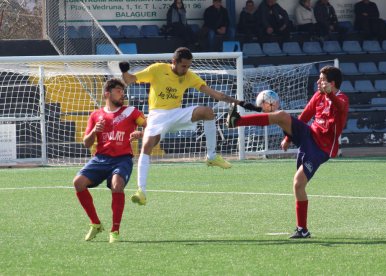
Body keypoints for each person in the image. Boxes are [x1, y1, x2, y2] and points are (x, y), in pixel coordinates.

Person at [119, 47, 258, 206]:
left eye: (188, 66)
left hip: (177, 113)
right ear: (174, 62)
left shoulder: (189, 76)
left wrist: (240, 103)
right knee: (147, 146)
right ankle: (141, 191)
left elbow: (214, 94)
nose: (186, 69)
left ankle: (211, 156)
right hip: (157, 115)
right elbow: (130, 79)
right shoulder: (157, 69)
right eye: (184, 66)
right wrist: (124, 72)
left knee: (208, 112)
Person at [226, 66, 349, 238]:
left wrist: (329, 94)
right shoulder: (319, 95)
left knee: (298, 184)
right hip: (308, 135)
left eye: (321, 79)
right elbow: (305, 116)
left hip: (322, 149)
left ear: (331, 83)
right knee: (282, 115)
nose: (318, 81)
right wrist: (288, 137)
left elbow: (340, 107)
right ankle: (236, 121)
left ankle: (302, 230)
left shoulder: (341, 98)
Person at [73, 78, 146, 243]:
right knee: (78, 182)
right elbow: (87, 143)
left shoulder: (131, 112)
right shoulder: (96, 115)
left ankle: (115, 231)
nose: (123, 95)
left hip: (122, 159)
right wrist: (94, 132)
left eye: (123, 92)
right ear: (108, 93)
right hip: (101, 158)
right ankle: (96, 224)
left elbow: (150, 126)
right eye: (119, 91)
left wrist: (141, 134)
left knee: (117, 185)